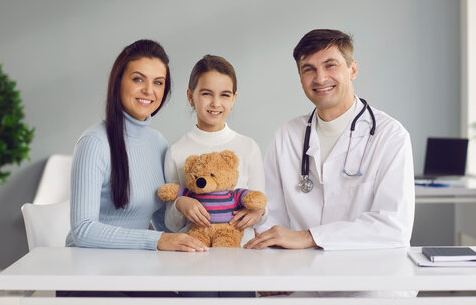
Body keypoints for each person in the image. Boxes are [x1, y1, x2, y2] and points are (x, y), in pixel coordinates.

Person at [245, 29, 415, 252]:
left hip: (369, 277)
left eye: (330, 65)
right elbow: (269, 217)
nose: (320, 78)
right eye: (309, 69)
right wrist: (272, 267)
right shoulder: (286, 136)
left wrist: (309, 237)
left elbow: (393, 227)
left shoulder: (390, 136)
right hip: (299, 273)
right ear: (300, 78)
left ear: (352, 70)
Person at [65, 39, 207, 254]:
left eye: (158, 82)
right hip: (88, 272)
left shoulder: (157, 142)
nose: (149, 90)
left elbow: (162, 224)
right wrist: (156, 240)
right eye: (138, 79)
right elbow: (83, 230)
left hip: (135, 268)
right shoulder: (94, 142)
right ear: (118, 82)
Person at [164, 55, 267, 247]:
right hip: (193, 254)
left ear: (234, 98)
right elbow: (171, 223)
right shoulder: (177, 150)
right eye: (206, 93)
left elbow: (262, 205)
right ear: (190, 96)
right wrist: (181, 204)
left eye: (225, 95)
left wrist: (257, 212)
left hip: (241, 255)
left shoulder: (248, 147)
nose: (215, 103)